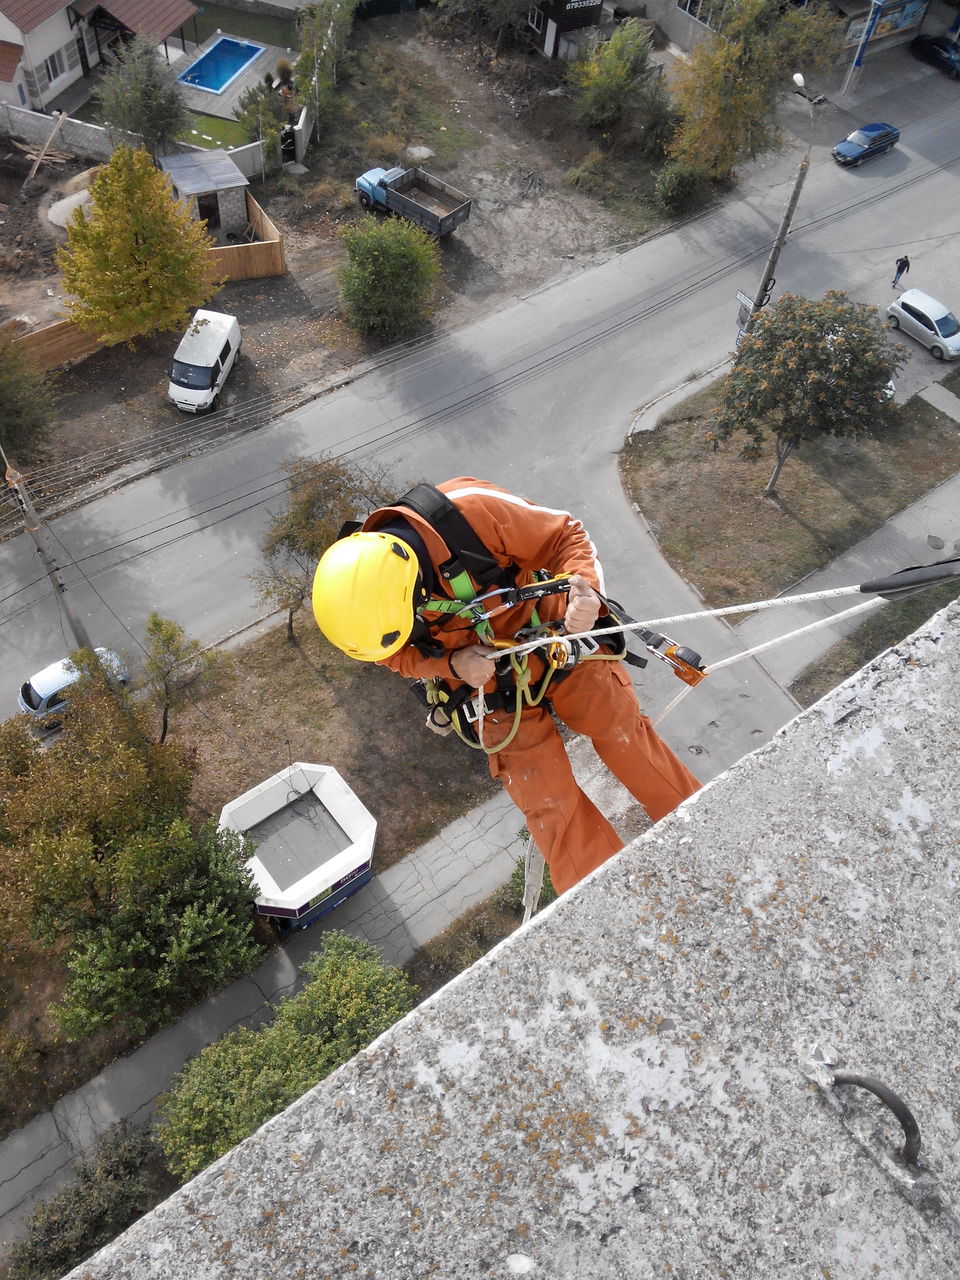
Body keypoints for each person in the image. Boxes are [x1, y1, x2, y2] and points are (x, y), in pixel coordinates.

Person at [311, 478, 701, 895]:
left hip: (553, 637)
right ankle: (603, 904)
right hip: (487, 685)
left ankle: (706, 828)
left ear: (414, 587)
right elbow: (393, 655)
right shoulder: (361, 604)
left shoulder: (471, 514)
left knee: (625, 738)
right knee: (551, 806)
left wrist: (585, 593)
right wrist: (450, 663)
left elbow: (566, 534)